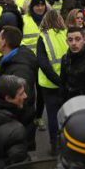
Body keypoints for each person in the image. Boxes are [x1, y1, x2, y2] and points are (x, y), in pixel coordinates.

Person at [0, 25, 38, 148]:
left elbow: (21, 100)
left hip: (18, 126)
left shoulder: (20, 69)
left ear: (4, 42)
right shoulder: (12, 60)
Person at [36, 9, 68, 155]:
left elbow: (43, 64)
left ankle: (54, 145)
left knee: (52, 115)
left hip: (49, 84)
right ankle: (67, 142)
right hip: (66, 82)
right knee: (66, 114)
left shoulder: (43, 37)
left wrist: (56, 80)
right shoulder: (66, 34)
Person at [60, 26, 85, 100]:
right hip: (69, 103)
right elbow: (63, 85)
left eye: (77, 39)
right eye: (70, 40)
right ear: (67, 42)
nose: (74, 43)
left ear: (84, 40)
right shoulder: (65, 58)